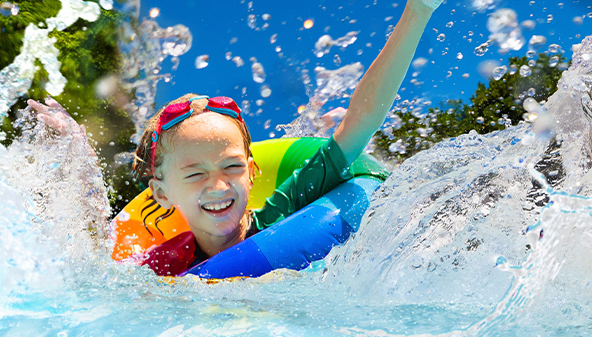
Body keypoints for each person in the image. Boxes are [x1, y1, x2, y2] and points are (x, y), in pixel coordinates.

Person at [27, 0, 443, 276]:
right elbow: (93, 263)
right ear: (161, 193)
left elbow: (358, 125)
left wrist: (419, 10)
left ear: (252, 172)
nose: (218, 185)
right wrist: (77, 156)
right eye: (194, 174)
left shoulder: (281, 213)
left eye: (231, 166)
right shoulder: (159, 264)